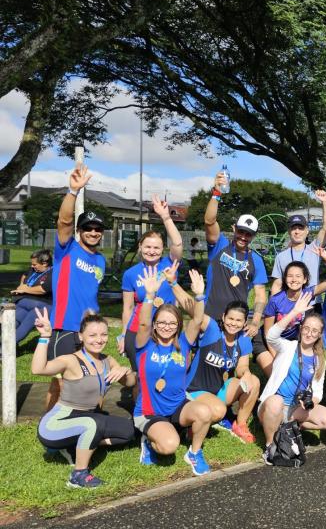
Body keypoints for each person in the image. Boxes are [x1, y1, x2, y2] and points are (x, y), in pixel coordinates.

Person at [33, 309, 135, 488]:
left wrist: (125, 370)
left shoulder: (107, 360)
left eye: (103, 334)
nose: (99, 339)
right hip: (56, 424)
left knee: (129, 431)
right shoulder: (71, 360)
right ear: (81, 336)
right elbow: (38, 369)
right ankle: (78, 475)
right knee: (91, 424)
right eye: (92, 335)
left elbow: (131, 383)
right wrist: (45, 337)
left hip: (89, 416)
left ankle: (76, 447)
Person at [133, 266, 215, 476]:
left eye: (172, 323)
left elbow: (197, 320)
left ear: (178, 325)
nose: (166, 327)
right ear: (155, 324)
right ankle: (149, 441)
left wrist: (199, 295)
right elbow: (142, 323)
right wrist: (149, 295)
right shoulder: (144, 345)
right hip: (150, 412)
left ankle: (194, 453)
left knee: (205, 412)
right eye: (161, 322)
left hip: (178, 406)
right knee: (169, 446)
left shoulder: (184, 343)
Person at [47, 163, 106, 410]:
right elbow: (64, 220)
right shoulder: (67, 249)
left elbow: (89, 294)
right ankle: (49, 429)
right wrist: (73, 191)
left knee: (91, 379)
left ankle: (87, 422)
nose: (93, 233)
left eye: (97, 229)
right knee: (60, 383)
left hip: (89, 332)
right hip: (65, 328)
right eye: (87, 229)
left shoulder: (101, 260)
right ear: (79, 231)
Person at [259, 291, 326, 464]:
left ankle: (289, 429)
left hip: (294, 409)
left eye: (314, 331)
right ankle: (271, 446)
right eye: (307, 328)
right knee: (275, 402)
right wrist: (294, 312)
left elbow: (318, 392)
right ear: (301, 329)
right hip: (274, 406)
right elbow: (271, 335)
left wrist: (311, 402)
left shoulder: (319, 359)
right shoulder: (287, 347)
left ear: (319, 335)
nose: (309, 333)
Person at [119, 195, 184, 379]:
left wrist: (165, 217)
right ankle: (140, 407)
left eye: (156, 248)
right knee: (140, 375)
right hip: (138, 330)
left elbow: (178, 243)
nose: (151, 251)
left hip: (166, 329)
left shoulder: (170, 265)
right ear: (140, 247)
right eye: (147, 247)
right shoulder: (130, 273)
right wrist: (123, 335)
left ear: (163, 249)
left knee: (166, 374)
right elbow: (128, 308)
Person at [183, 293, 260, 443]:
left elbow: (242, 367)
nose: (233, 323)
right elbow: (194, 311)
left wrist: (246, 373)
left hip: (218, 390)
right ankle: (192, 425)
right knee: (219, 411)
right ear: (224, 317)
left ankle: (240, 425)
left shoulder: (243, 340)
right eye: (231, 318)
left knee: (254, 381)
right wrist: (173, 284)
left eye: (239, 320)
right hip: (195, 389)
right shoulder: (212, 331)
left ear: (245, 323)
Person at [203, 171, 268, 335]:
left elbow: (260, 295)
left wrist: (254, 321)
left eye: (248, 234)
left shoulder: (256, 260)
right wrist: (216, 193)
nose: (243, 237)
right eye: (241, 231)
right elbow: (209, 221)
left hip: (236, 322)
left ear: (254, 236)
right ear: (234, 228)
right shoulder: (220, 245)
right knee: (203, 357)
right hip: (208, 316)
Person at [256, 248, 326, 376]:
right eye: (290, 276)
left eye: (298, 276)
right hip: (266, 341)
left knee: (295, 374)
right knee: (276, 374)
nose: (294, 279)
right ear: (285, 279)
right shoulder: (275, 300)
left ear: (305, 279)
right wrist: (277, 357)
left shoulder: (307, 294)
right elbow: (268, 333)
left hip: (288, 343)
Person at [269, 190, 326, 295]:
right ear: (289, 231)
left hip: (312, 304)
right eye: (294, 228)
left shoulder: (314, 248)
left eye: (301, 228)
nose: (297, 231)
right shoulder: (281, 256)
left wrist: (325, 203)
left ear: (307, 231)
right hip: (289, 306)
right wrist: (272, 308)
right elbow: (277, 284)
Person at [12, 249, 52, 343]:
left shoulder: (53, 273)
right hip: (26, 301)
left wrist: (24, 289)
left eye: (34, 264)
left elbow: (43, 290)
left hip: (43, 304)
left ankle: (6, 348)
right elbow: (24, 275)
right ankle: (6, 345)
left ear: (45, 263)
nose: (32, 266)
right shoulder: (33, 269)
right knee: (13, 321)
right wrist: (21, 285)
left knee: (26, 323)